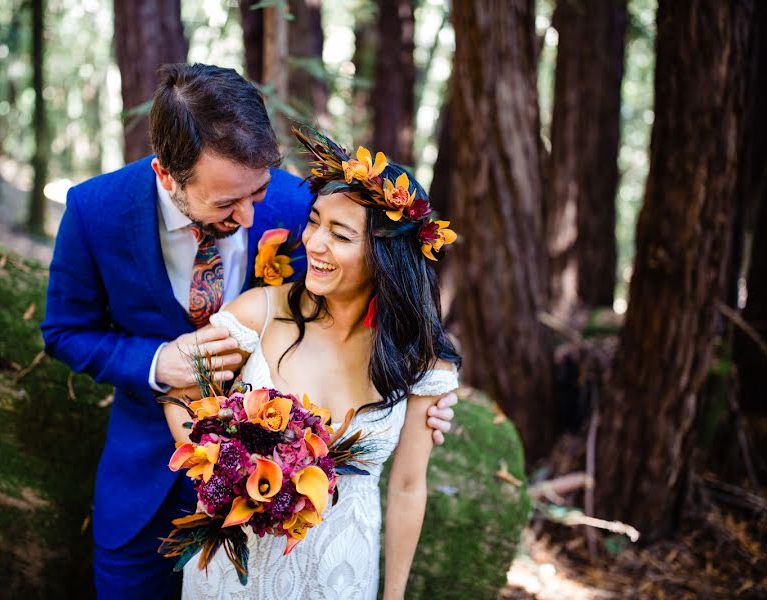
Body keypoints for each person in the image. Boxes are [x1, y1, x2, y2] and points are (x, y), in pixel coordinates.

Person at [41, 64, 457, 599]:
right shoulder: (95, 211)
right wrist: (155, 364)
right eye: (224, 203)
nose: (246, 214)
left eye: (255, 191)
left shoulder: (299, 208)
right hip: (143, 486)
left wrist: (420, 389)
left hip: (285, 536)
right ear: (167, 175)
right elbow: (64, 331)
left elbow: (371, 289)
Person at [165, 127, 461, 599]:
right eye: (315, 222)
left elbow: (407, 488)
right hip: (235, 571)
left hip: (339, 573)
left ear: (384, 258)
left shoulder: (422, 362)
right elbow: (181, 392)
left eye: (339, 234)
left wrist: (395, 596)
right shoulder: (259, 315)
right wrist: (224, 469)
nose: (314, 243)